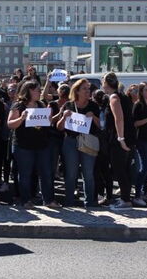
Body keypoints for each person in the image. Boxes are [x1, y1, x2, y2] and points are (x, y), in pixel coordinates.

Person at [7, 79, 57, 208]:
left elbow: (47, 124)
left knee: (46, 173)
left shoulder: (41, 105)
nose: (39, 92)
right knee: (25, 174)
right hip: (23, 146)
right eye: (37, 90)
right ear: (29, 91)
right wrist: (21, 118)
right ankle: (25, 200)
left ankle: (48, 200)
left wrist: (49, 118)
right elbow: (10, 124)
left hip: (42, 145)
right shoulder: (19, 106)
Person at [57, 78, 101, 209]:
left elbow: (100, 126)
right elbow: (59, 127)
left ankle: (90, 203)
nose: (88, 91)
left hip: (88, 141)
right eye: (85, 89)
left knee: (88, 174)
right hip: (70, 142)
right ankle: (69, 202)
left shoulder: (93, 106)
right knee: (71, 173)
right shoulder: (68, 105)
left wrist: (93, 117)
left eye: (88, 89)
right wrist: (64, 117)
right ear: (77, 91)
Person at [101, 72, 136, 211]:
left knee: (120, 169)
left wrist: (121, 139)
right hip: (128, 138)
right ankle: (125, 198)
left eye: (102, 81)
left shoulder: (114, 97)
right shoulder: (123, 96)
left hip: (120, 139)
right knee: (124, 169)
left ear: (106, 83)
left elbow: (119, 119)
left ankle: (125, 200)